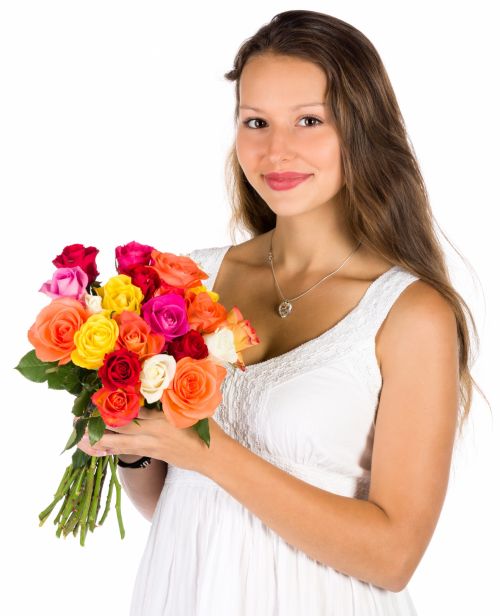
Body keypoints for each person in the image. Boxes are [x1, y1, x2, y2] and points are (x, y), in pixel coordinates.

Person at [78, 9, 485, 615]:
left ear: (362, 130)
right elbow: (179, 501)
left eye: (310, 120)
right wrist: (132, 438)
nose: (276, 150)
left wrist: (207, 449)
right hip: (186, 590)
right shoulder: (191, 282)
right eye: (256, 122)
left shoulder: (410, 314)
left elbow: (394, 557)